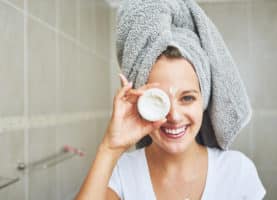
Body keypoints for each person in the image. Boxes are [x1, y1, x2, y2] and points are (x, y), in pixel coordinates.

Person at [75, 46, 266, 200]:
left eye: (187, 98)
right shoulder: (119, 173)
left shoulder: (237, 171)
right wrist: (110, 148)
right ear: (141, 105)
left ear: (204, 103)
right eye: (159, 99)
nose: (174, 116)